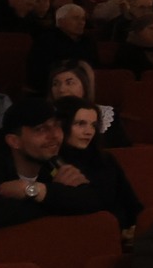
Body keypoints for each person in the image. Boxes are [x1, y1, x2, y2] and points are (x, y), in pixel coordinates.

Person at [0, 98, 103, 263]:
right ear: (14, 141)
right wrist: (58, 199)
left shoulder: (55, 157)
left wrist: (37, 191)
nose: (55, 135)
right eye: (41, 129)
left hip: (36, 258)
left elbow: (93, 199)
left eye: (57, 126)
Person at [52, 97, 143, 230]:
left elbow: (130, 202)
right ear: (61, 125)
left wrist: (138, 227)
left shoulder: (105, 159)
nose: (89, 132)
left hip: (119, 230)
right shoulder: (51, 161)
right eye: (81, 124)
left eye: (93, 125)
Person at [27, 4, 100, 90]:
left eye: (83, 19)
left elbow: (95, 66)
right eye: (75, 18)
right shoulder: (47, 40)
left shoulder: (87, 41)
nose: (81, 23)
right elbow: (39, 71)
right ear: (61, 21)